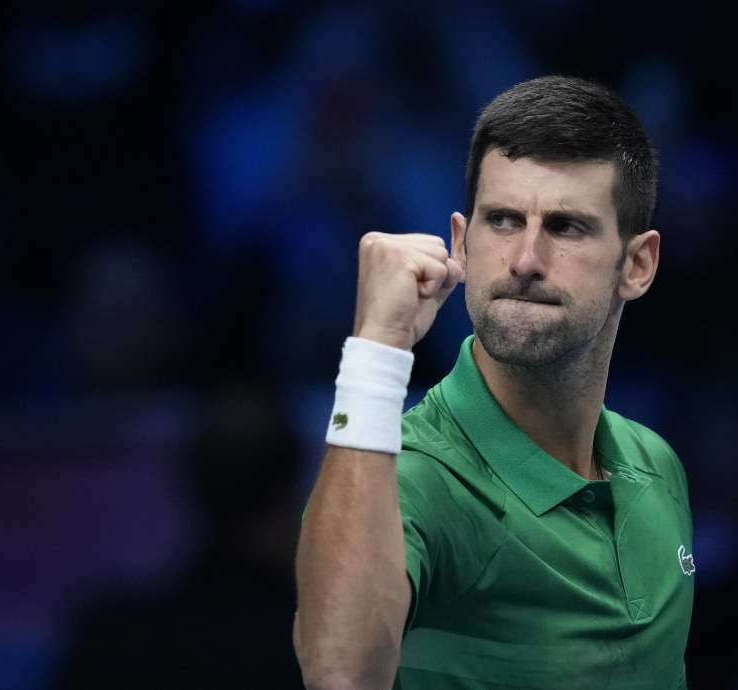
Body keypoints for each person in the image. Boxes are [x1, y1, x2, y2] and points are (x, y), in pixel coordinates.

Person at [294, 75, 694, 690]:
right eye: (502, 220)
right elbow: (340, 674)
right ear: (461, 240)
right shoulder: (415, 474)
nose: (525, 259)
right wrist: (377, 348)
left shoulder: (657, 466)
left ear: (636, 265)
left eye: (566, 227)